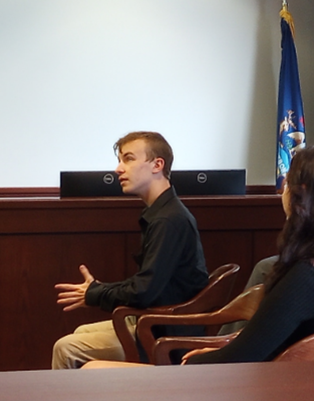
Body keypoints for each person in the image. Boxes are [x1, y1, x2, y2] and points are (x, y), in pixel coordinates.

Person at [180, 145, 314, 364]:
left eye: (287, 183)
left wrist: (190, 365)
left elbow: (241, 357)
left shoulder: (312, 277)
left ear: (300, 193)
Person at [52, 132, 209, 368]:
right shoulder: (163, 213)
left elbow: (144, 291)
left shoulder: (168, 220)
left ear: (157, 165)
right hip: (159, 319)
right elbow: (146, 284)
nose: (118, 169)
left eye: (128, 159)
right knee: (80, 331)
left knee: (65, 348)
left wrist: (95, 293)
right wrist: (96, 290)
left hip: (166, 332)